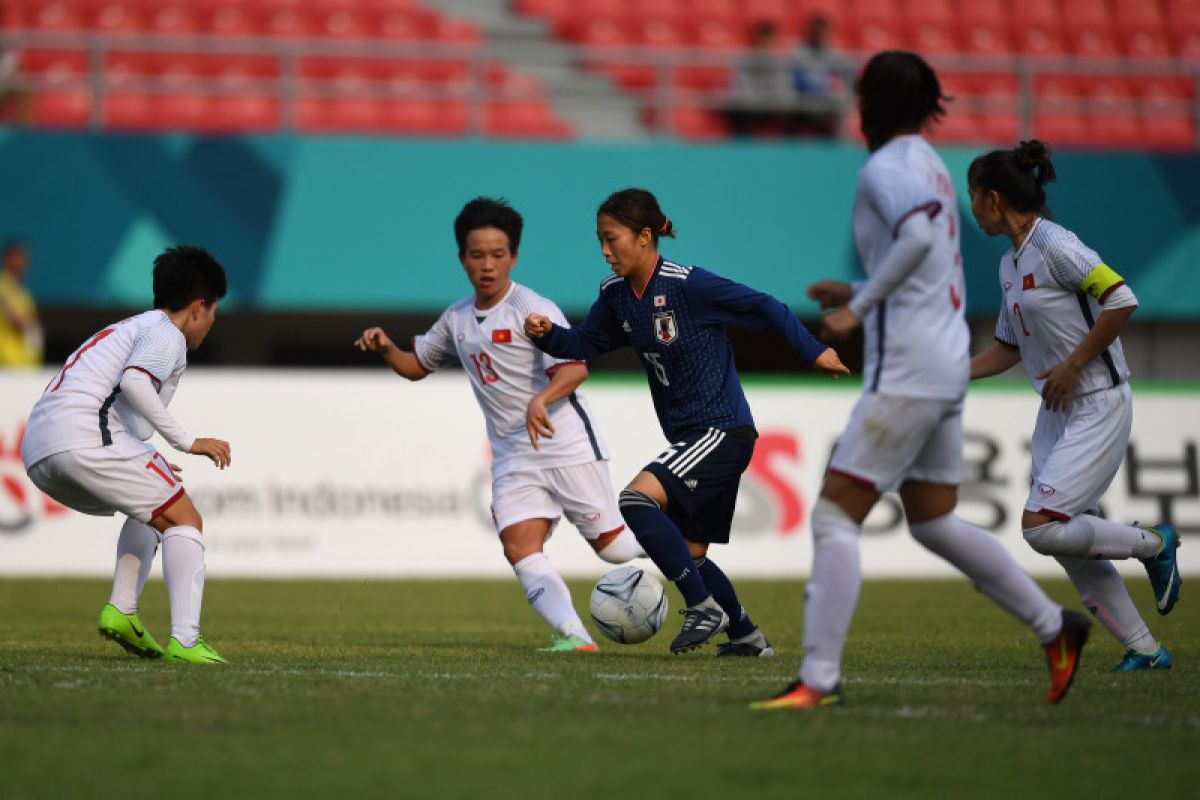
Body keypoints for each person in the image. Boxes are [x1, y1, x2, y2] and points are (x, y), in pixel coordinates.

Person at [753, 52, 1092, 710]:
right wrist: (858, 288)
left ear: (867, 103)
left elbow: (913, 244)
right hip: (943, 360)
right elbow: (930, 256)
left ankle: (817, 679)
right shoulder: (931, 167)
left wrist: (860, 304)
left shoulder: (886, 167)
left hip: (908, 368)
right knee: (933, 522)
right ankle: (1057, 626)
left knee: (831, 518)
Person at [524, 187, 850, 657]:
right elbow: (582, 345)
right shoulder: (616, 295)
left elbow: (766, 306)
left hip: (721, 430)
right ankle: (747, 637)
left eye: (611, 238)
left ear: (643, 236)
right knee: (689, 552)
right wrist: (547, 335)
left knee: (635, 501)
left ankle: (702, 606)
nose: (603, 250)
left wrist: (813, 350)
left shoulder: (686, 285)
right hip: (693, 436)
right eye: (598, 239)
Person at [355, 197, 644, 653]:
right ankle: (574, 637)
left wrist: (540, 400)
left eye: (498, 255)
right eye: (477, 255)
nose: (487, 265)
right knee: (517, 545)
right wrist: (387, 348)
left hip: (563, 438)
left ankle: (683, 543)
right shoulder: (456, 319)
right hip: (512, 452)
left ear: (513, 256)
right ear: (461, 259)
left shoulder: (530, 307)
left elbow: (575, 368)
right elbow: (416, 366)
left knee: (613, 549)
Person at [966, 139, 1180, 672]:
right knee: (1063, 537)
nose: (971, 207)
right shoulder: (1009, 265)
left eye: (972, 196)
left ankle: (1152, 543)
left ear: (993, 199)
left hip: (1097, 403)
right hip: (1057, 411)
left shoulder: (1056, 245)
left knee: (1041, 525)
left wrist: (1075, 363)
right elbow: (1009, 349)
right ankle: (1144, 649)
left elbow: (1121, 297)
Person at [20, 245, 232, 664]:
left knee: (155, 508)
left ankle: (122, 611)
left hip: (39, 449)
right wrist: (187, 442)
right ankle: (186, 641)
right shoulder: (168, 335)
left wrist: (141, 454)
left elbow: (120, 401)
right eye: (213, 310)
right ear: (197, 307)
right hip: (83, 434)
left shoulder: (134, 327)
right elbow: (135, 383)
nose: (211, 322)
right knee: (186, 518)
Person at [0, 238, 43, 367]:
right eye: (17, 257)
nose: (22, 262)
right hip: (7, 364)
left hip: (24, 365)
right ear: (7, 258)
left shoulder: (23, 292)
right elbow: (18, 322)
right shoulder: (3, 287)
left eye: (24, 257)